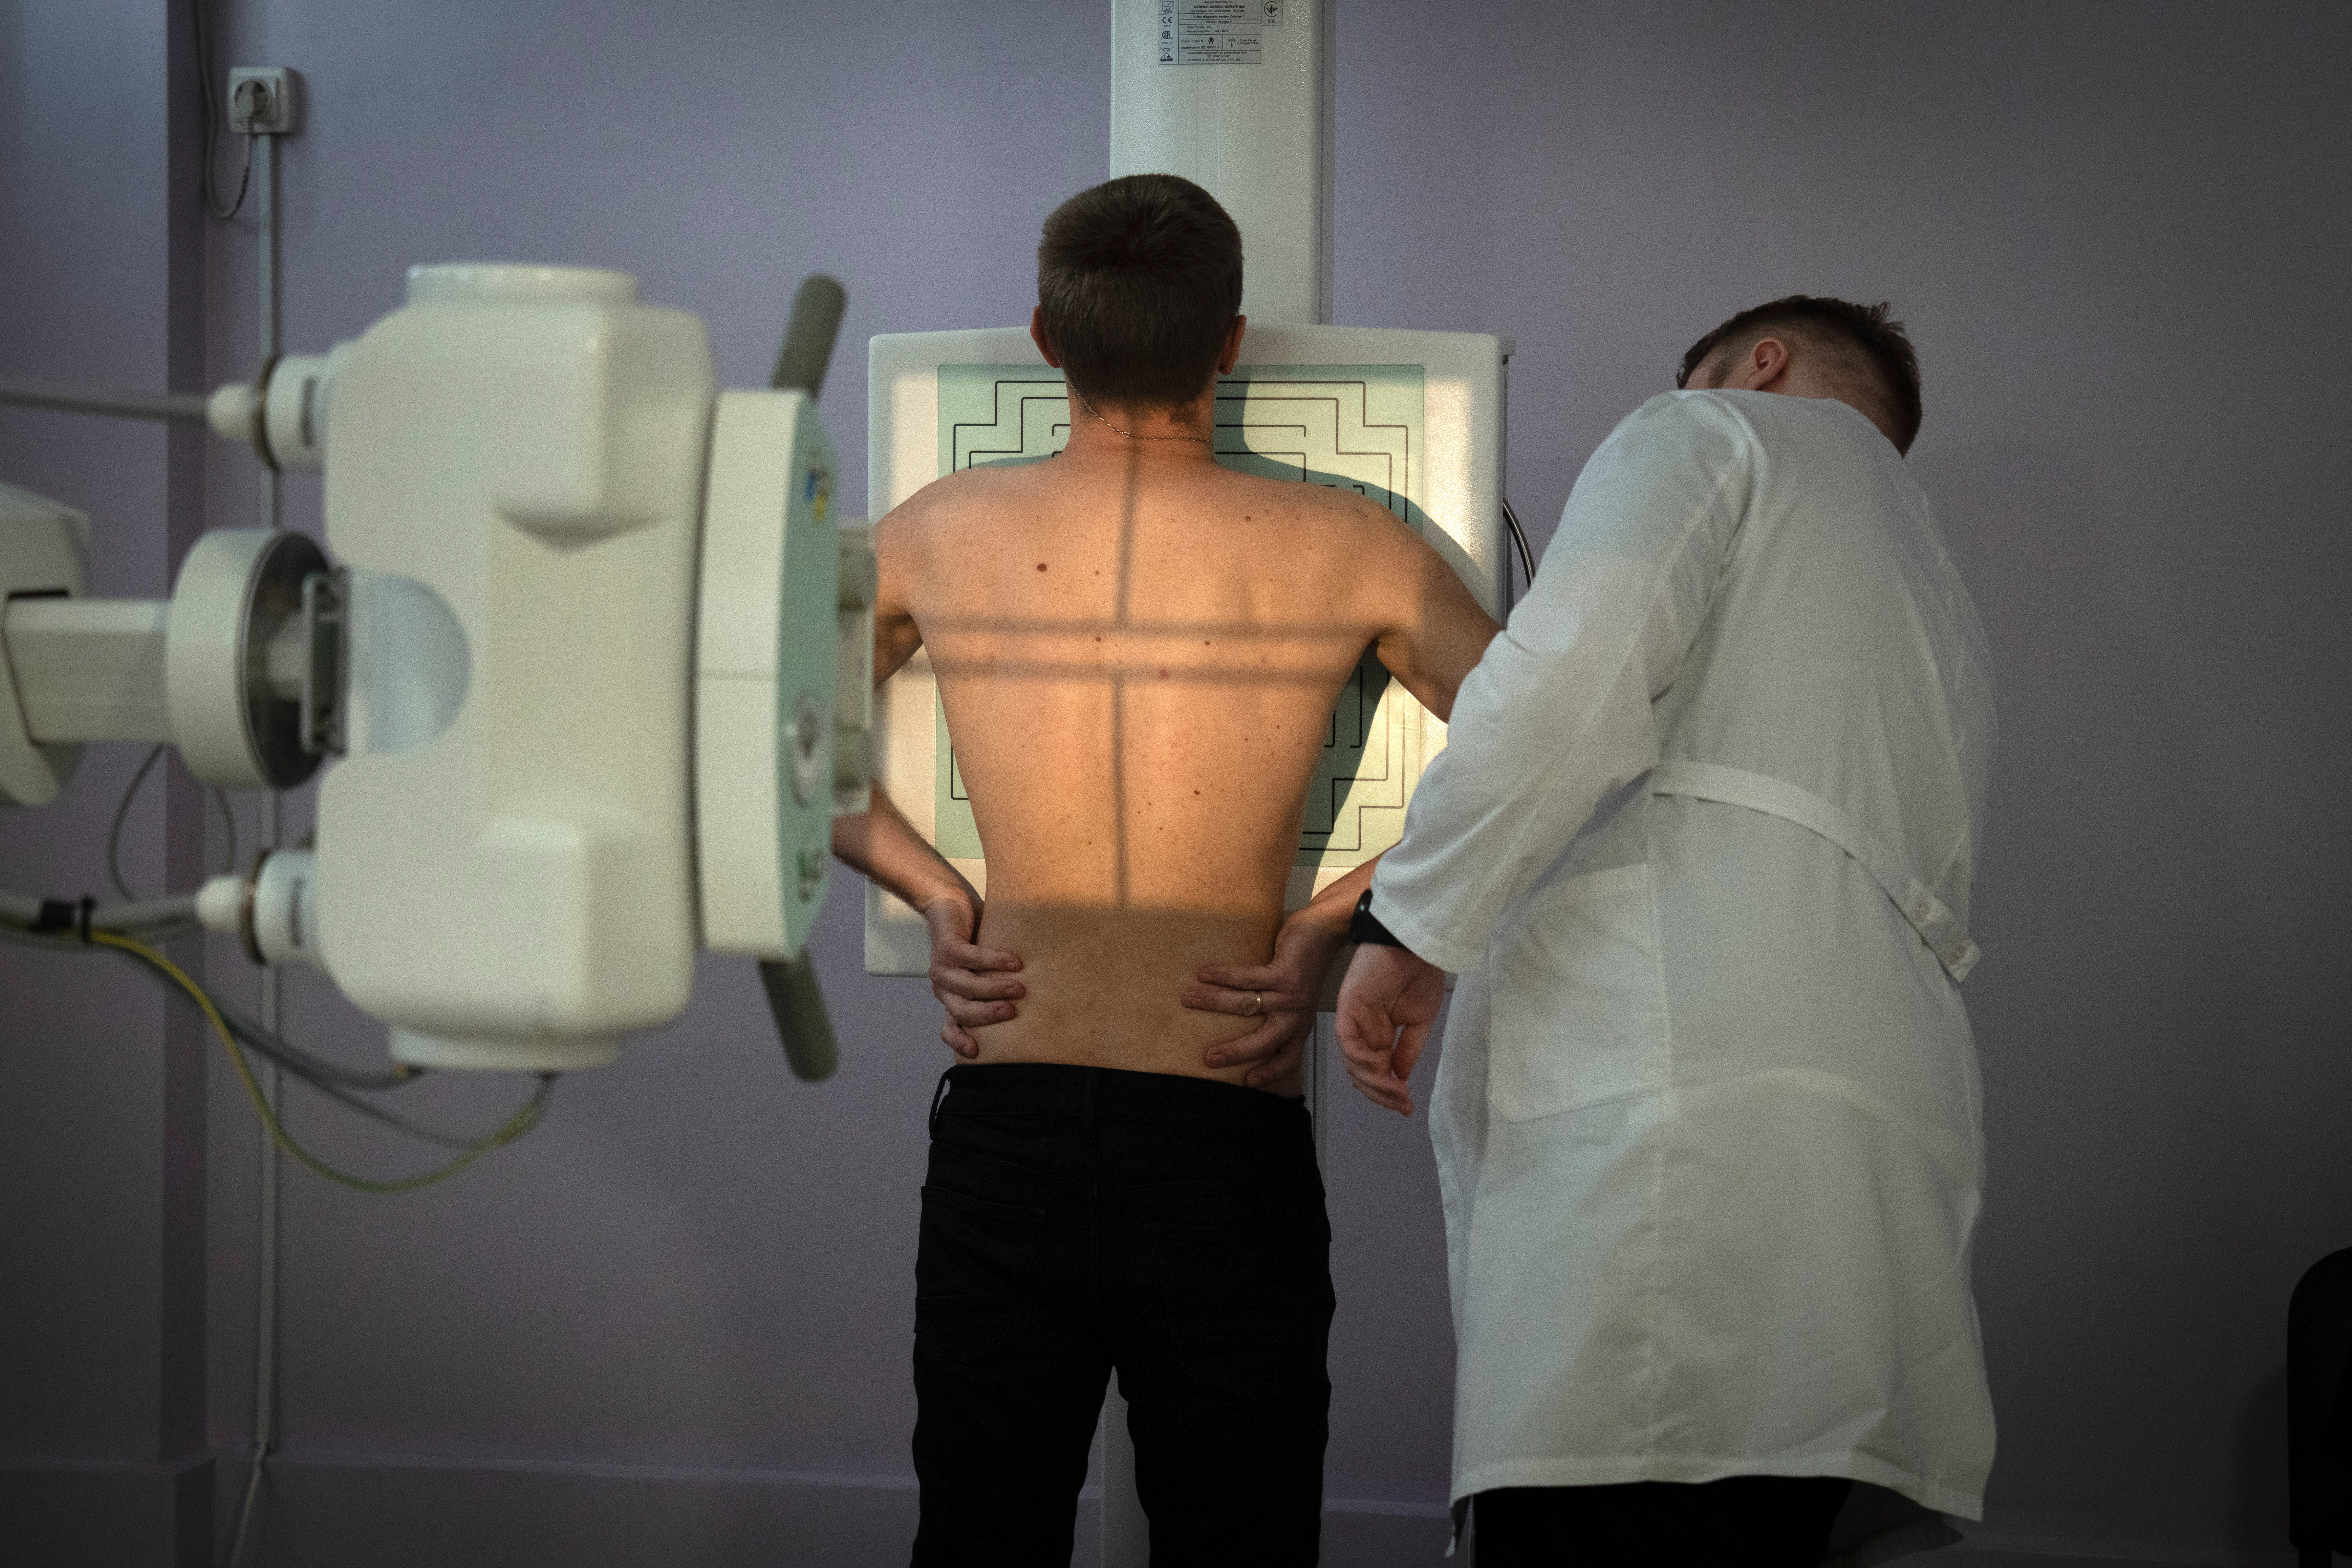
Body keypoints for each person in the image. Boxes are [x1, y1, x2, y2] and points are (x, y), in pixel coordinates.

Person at [831, 173, 1500, 1566]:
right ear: (1230, 343)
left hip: (1008, 1120)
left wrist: (935, 892)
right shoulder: (1346, 543)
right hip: (1220, 1132)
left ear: (1042, 339)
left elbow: (758, 739)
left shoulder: (940, 528)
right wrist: (1338, 916)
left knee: (977, 1542)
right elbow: (1535, 755)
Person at [1331, 297, 1998, 1565]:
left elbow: (1565, 683)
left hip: (1680, 1098)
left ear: (1758, 364)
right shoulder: (1938, 600)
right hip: (1877, 1120)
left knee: (1605, 1505)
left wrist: (1408, 925)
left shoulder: (1714, 432)